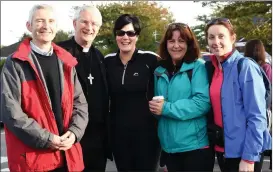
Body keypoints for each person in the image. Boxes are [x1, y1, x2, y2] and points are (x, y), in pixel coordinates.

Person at [0, 4, 88, 172]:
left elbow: (80, 103)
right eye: (39, 21)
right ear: (29, 26)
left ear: (56, 26)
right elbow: (11, 113)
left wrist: (75, 132)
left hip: (69, 157)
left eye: (51, 21)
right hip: (35, 161)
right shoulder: (16, 63)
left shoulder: (66, 61)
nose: (46, 26)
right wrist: (48, 139)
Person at [204, 18, 272, 172]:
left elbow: (257, 116)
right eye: (211, 37)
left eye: (221, 36)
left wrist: (249, 157)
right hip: (223, 150)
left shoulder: (245, 66)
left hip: (244, 153)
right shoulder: (213, 68)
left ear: (232, 38)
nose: (216, 41)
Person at [148, 22, 214, 172]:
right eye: (171, 41)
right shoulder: (159, 70)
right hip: (169, 149)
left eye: (181, 41)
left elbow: (202, 103)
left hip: (195, 148)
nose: (176, 46)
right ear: (166, 44)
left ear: (189, 44)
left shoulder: (198, 67)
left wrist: (166, 108)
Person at [58, 5, 111, 172]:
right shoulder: (59, 53)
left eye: (94, 24)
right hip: (71, 136)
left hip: (98, 140)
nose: (89, 28)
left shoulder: (99, 56)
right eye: (85, 22)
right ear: (74, 23)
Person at [104, 14, 160, 171]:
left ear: (137, 36)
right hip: (119, 136)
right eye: (120, 33)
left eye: (130, 33)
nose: (125, 37)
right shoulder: (107, 61)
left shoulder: (150, 60)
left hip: (147, 136)